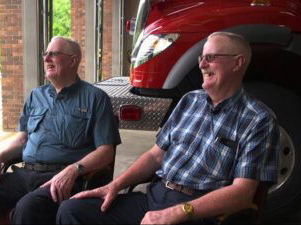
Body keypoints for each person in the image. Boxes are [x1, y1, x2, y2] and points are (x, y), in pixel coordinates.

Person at [56, 32, 280, 225]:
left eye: (211, 58)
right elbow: (155, 156)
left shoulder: (258, 119)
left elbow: (243, 193)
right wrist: (114, 186)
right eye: (202, 57)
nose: (201, 64)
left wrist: (177, 213)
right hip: (157, 196)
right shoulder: (190, 100)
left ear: (238, 62)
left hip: (199, 210)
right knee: (73, 211)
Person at [0, 36, 121, 224]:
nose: (46, 59)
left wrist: (74, 169)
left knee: (27, 209)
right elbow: (22, 139)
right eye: (46, 54)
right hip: (24, 175)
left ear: (73, 60)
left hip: (60, 179)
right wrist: (0, 156)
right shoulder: (36, 96)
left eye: (54, 54)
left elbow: (106, 151)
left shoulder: (95, 98)